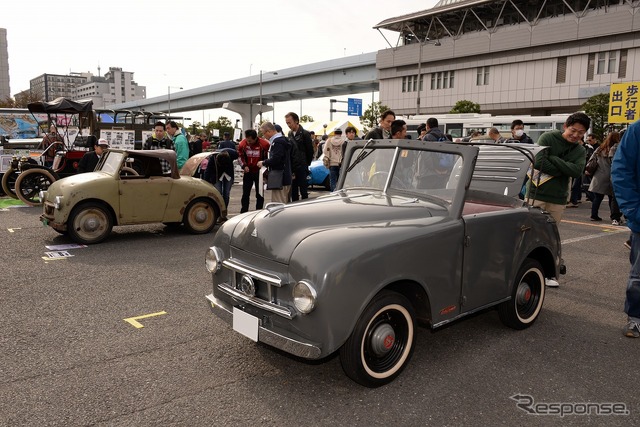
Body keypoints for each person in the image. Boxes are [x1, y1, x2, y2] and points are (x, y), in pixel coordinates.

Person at [526, 112, 590, 287]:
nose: (576, 135)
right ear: (565, 127)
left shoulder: (580, 149)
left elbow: (577, 171)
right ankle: (526, 269)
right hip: (536, 194)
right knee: (529, 233)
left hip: (558, 198)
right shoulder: (548, 137)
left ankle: (549, 273)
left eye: (581, 132)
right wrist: (564, 167)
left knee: (551, 236)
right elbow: (539, 162)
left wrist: (553, 159)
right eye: (573, 130)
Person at [611, 119, 640, 338]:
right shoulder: (637, 130)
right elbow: (621, 171)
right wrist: (634, 212)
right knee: (639, 276)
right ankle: (636, 318)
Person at [587, 131, 623, 224]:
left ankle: (594, 215)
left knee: (598, 197)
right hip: (611, 175)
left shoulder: (600, 148)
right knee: (612, 198)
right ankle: (614, 217)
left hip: (599, 175)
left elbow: (591, 159)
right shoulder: (616, 148)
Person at [257, 122, 292, 204]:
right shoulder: (284, 140)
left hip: (280, 178)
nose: (263, 136)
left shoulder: (277, 142)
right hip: (285, 176)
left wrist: (264, 162)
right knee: (285, 202)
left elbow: (276, 159)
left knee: (278, 204)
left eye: (263, 133)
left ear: (269, 131)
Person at [238, 129, 270, 212]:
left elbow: (269, 157)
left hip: (259, 172)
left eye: (250, 140)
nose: (248, 142)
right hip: (248, 171)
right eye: (247, 139)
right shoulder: (242, 144)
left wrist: (265, 169)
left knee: (259, 193)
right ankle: (244, 211)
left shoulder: (264, 144)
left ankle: (258, 211)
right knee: (245, 193)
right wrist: (244, 166)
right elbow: (240, 157)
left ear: (255, 138)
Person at [285, 112, 314, 201]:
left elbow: (310, 151)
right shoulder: (289, 134)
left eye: (290, 122)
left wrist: (306, 164)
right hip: (293, 166)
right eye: (287, 123)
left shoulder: (305, 134)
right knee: (293, 190)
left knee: (303, 190)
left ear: (296, 121)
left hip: (302, 165)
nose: (288, 125)